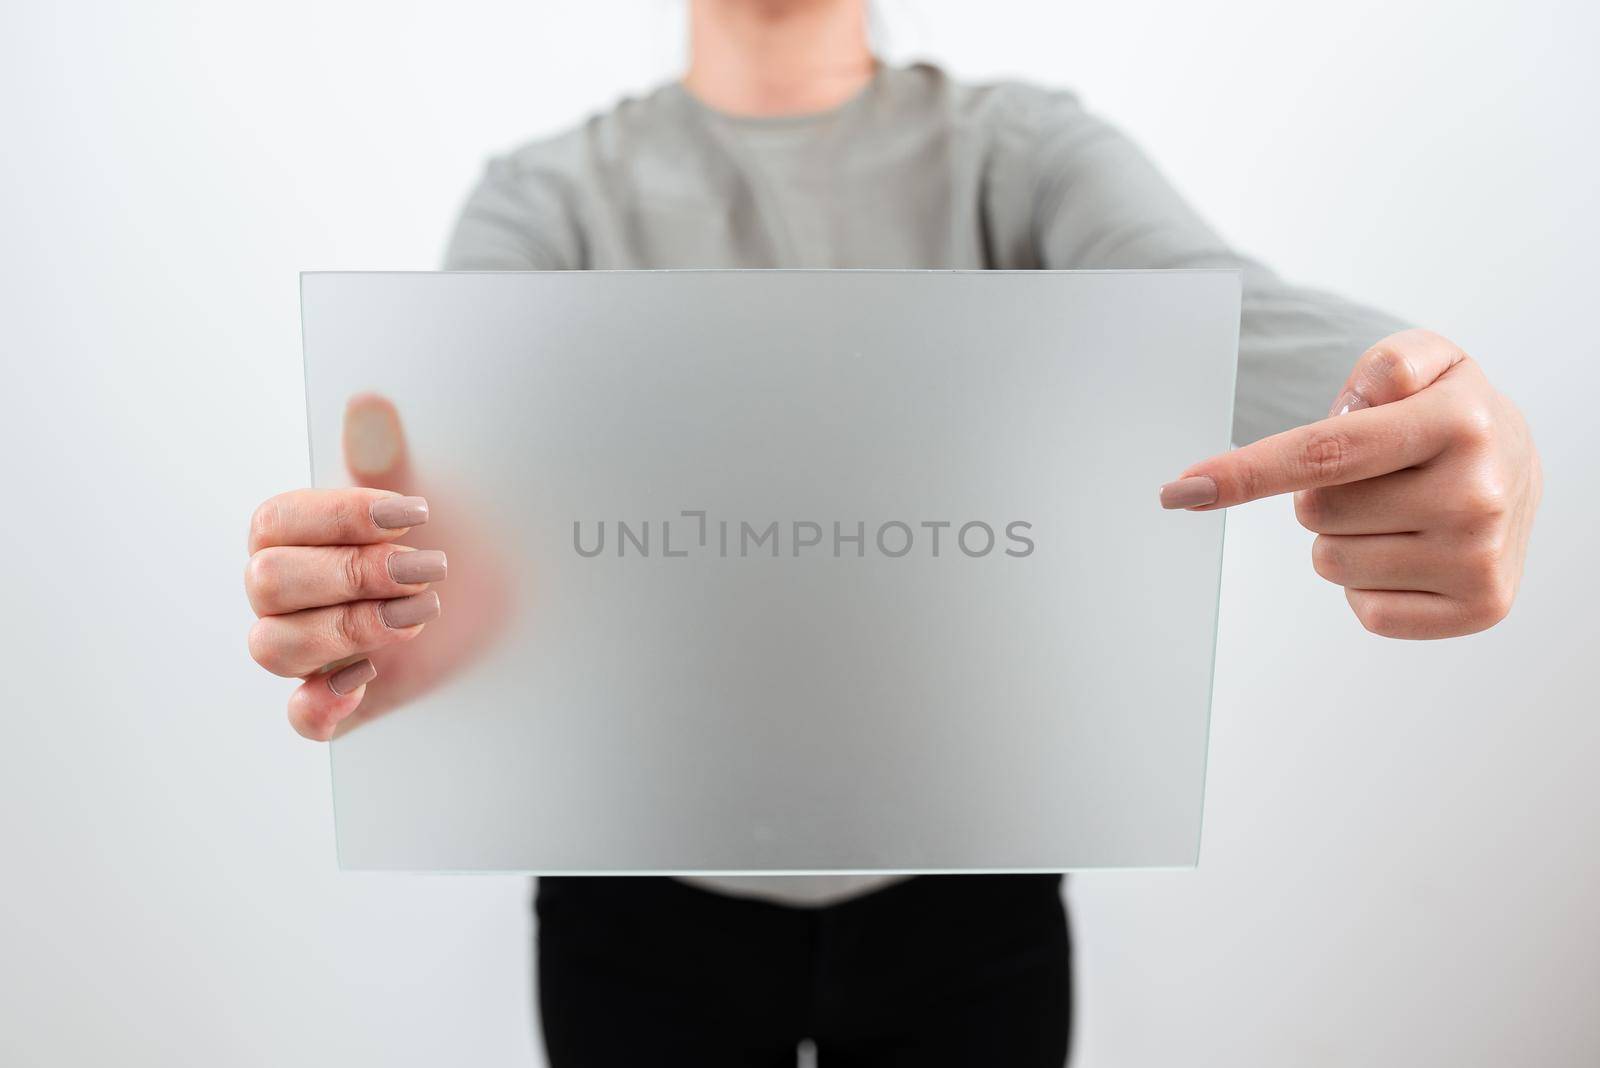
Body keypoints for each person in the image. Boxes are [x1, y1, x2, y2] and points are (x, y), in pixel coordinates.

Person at [241, 1, 1542, 1063]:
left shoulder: (1018, 153)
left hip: (968, 884)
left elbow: (1233, 321)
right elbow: (461, 478)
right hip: (633, 894)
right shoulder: (546, 198)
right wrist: (390, 596)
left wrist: (1450, 412)